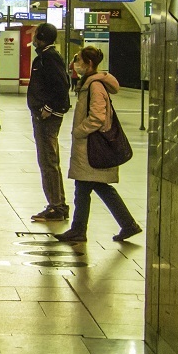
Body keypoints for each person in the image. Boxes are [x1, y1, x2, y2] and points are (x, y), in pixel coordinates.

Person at [53, 46, 142, 243]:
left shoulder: (95, 86)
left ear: (89, 64)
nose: (75, 65)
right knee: (98, 187)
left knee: (84, 187)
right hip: (89, 147)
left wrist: (79, 131)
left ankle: (79, 230)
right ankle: (127, 225)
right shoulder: (90, 84)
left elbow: (98, 117)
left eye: (79, 61)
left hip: (91, 146)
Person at [28, 23, 72, 223]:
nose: (33, 37)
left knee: (48, 161)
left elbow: (62, 86)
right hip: (45, 116)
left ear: (41, 37)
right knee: (49, 160)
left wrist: (48, 108)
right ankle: (57, 204)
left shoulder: (48, 58)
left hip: (47, 119)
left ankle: (56, 207)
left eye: (36, 34)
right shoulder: (46, 57)